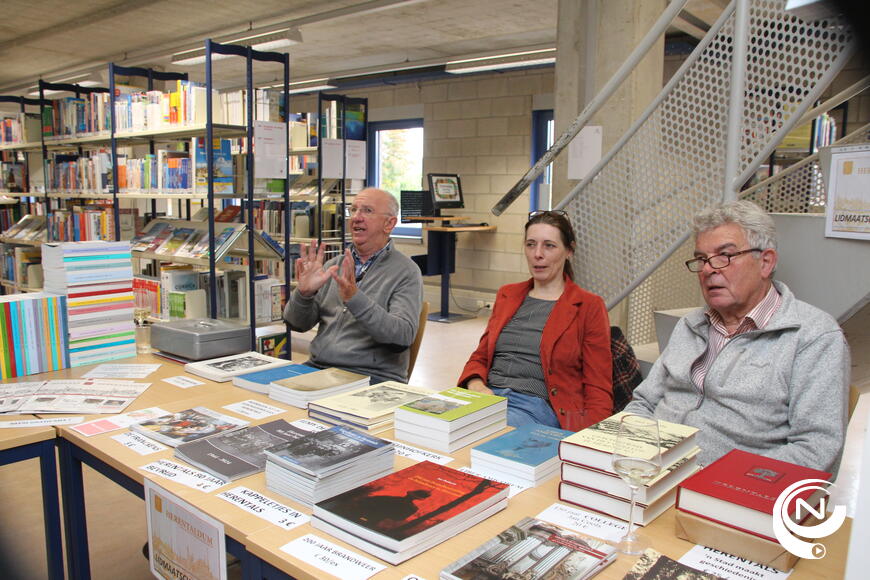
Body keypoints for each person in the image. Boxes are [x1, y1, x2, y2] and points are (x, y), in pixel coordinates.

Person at [625, 200, 850, 473]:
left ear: (765, 262)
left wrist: (719, 479)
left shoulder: (812, 336)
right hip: (651, 470)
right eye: (701, 259)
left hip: (730, 488)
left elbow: (816, 447)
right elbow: (645, 402)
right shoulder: (690, 325)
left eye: (725, 256)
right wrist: (629, 455)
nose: (708, 269)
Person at [458, 210, 613, 430]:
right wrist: (476, 385)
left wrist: (589, 441)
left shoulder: (588, 306)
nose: (537, 254)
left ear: (569, 250)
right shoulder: (507, 295)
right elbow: (481, 356)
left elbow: (598, 384)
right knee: (423, 427)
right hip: (486, 398)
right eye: (531, 244)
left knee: (483, 438)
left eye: (549, 245)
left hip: (534, 406)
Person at [283, 187, 423, 384]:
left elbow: (401, 337)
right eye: (353, 210)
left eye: (367, 211)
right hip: (318, 369)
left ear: (389, 223)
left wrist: (354, 298)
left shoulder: (406, 272)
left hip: (370, 378)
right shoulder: (334, 265)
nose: (356, 217)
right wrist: (304, 294)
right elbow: (297, 324)